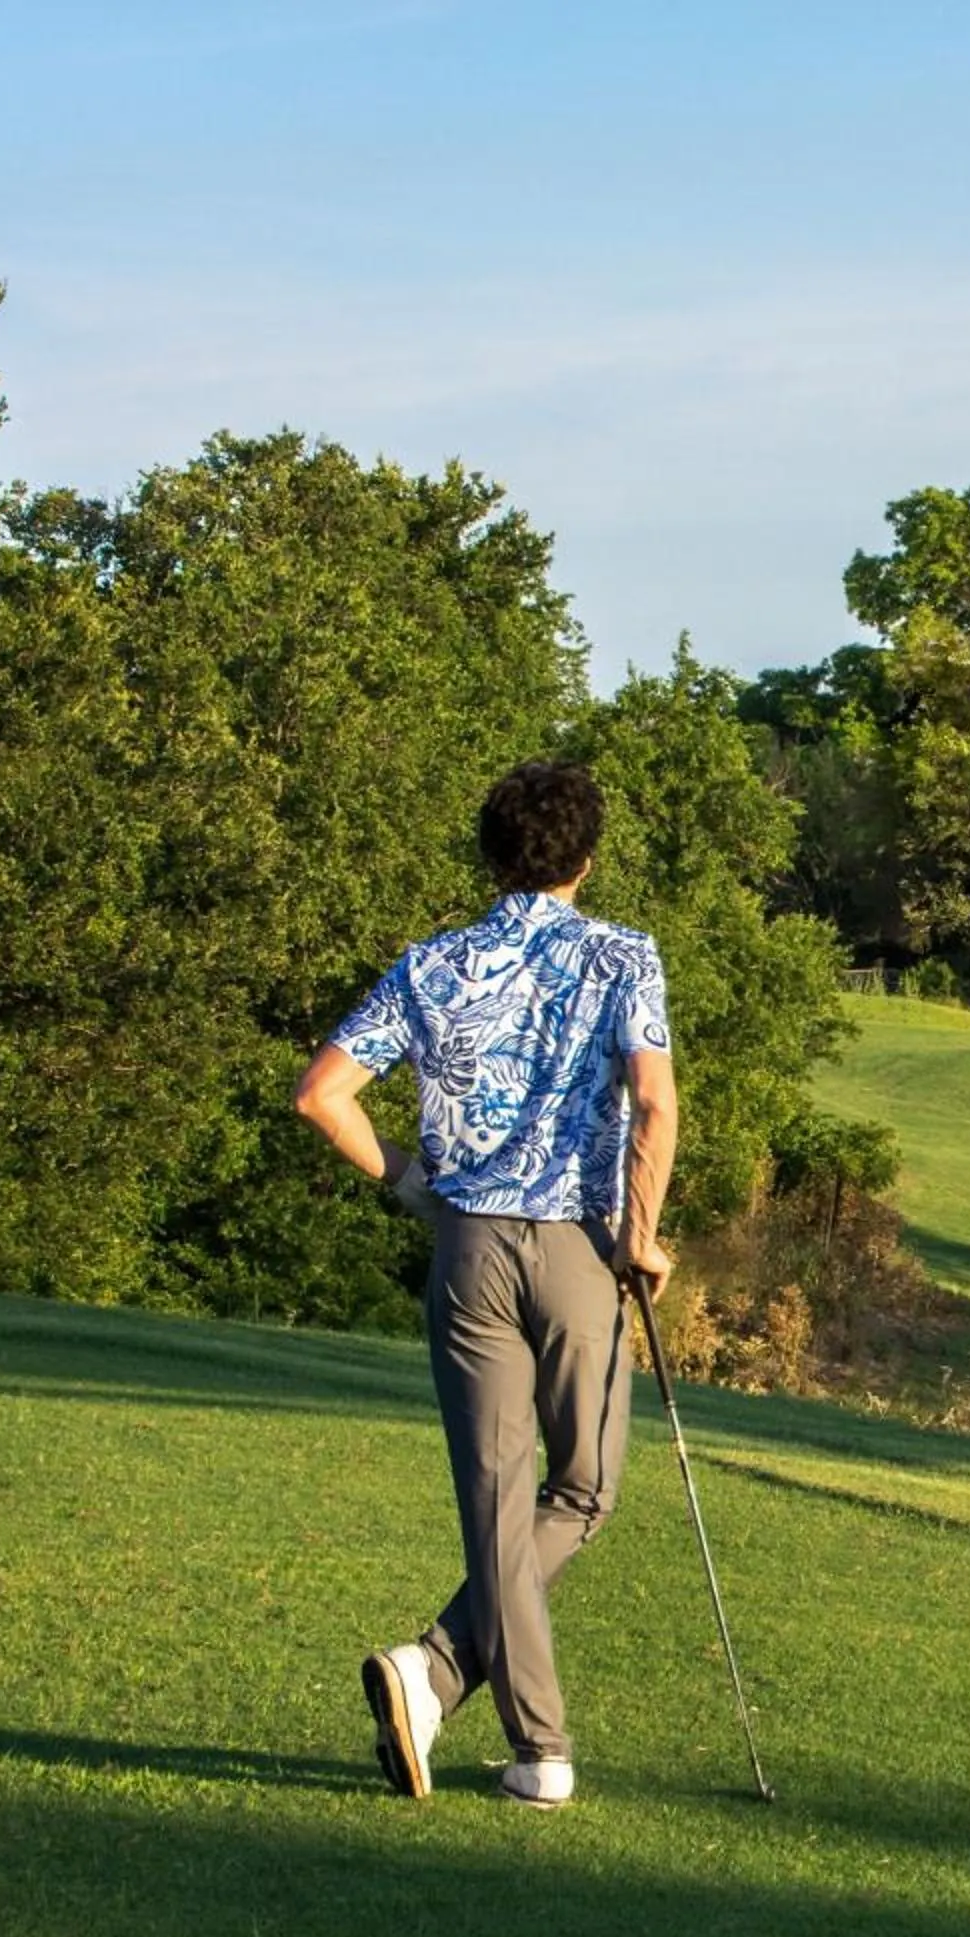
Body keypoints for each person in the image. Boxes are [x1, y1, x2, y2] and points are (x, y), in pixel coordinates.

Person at [292, 758, 676, 1810]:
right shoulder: (623, 956)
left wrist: (417, 1189)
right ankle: (510, 1727)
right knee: (585, 1488)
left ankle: (453, 1684)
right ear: (585, 858)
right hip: (580, 1249)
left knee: (506, 1499)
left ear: (490, 853)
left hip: (468, 1247)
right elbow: (652, 1103)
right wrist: (642, 1235)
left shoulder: (433, 962)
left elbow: (323, 1094)